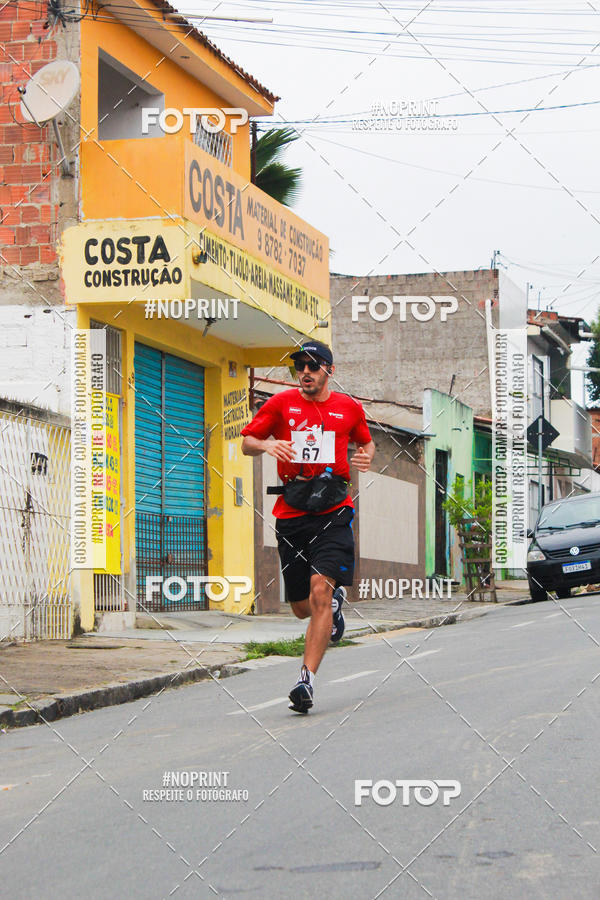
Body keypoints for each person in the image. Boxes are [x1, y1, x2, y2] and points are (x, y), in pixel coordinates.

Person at [241, 340, 375, 713]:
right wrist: (267, 447)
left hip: (334, 510)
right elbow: (247, 441)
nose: (305, 372)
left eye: (313, 366)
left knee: (319, 592)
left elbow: (367, 443)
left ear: (329, 370)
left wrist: (365, 457)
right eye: (299, 366)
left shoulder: (349, 407)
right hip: (292, 511)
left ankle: (305, 681)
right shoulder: (280, 404)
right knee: (301, 607)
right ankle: (333, 606)